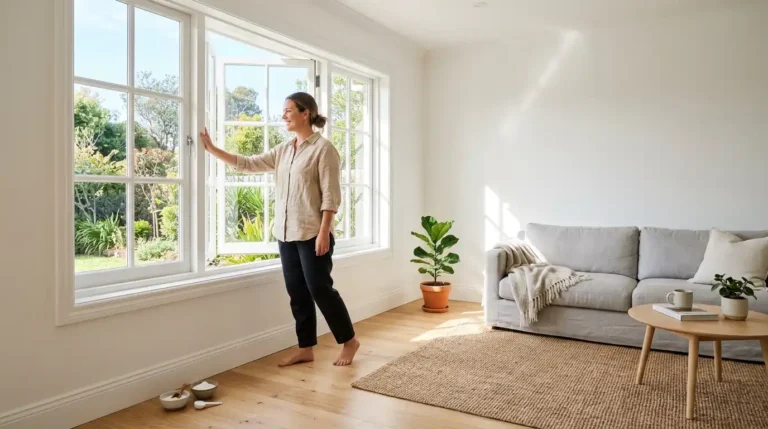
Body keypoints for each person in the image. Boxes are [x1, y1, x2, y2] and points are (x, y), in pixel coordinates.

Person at [199, 92, 360, 367]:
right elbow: (249, 164)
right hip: (286, 234)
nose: (283, 116)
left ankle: (349, 341)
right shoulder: (284, 150)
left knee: (320, 289)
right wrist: (213, 150)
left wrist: (325, 232)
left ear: (305, 113)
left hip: (312, 233)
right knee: (297, 292)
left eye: (288, 110)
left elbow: (331, 196)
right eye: (284, 111)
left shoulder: (324, 149)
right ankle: (306, 348)